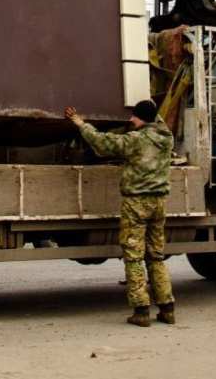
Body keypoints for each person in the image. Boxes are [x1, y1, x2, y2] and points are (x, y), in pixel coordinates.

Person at [64, 100, 176, 327]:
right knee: (156, 256)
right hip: (159, 203)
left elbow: (104, 143)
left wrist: (80, 123)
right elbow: (155, 116)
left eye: (134, 116)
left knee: (134, 256)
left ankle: (141, 311)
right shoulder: (166, 137)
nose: (130, 120)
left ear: (142, 118)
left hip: (137, 203)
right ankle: (167, 308)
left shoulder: (136, 140)